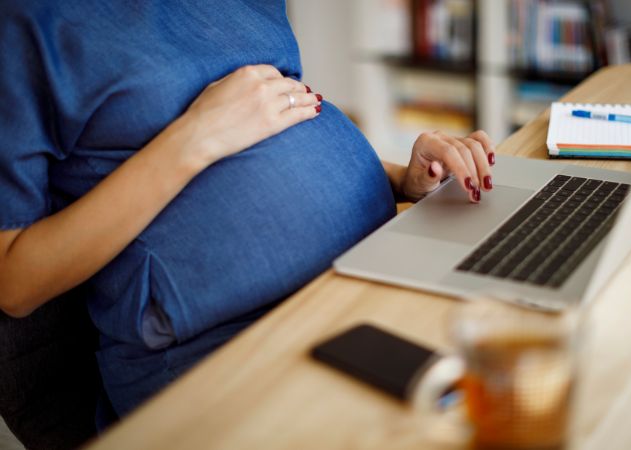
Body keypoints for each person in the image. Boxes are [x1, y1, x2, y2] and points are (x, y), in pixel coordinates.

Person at [0, 0, 496, 438]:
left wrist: (401, 180)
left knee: (518, 375)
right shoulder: (23, 23)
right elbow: (14, 281)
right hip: (228, 344)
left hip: (365, 272)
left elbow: (277, 123)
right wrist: (194, 138)